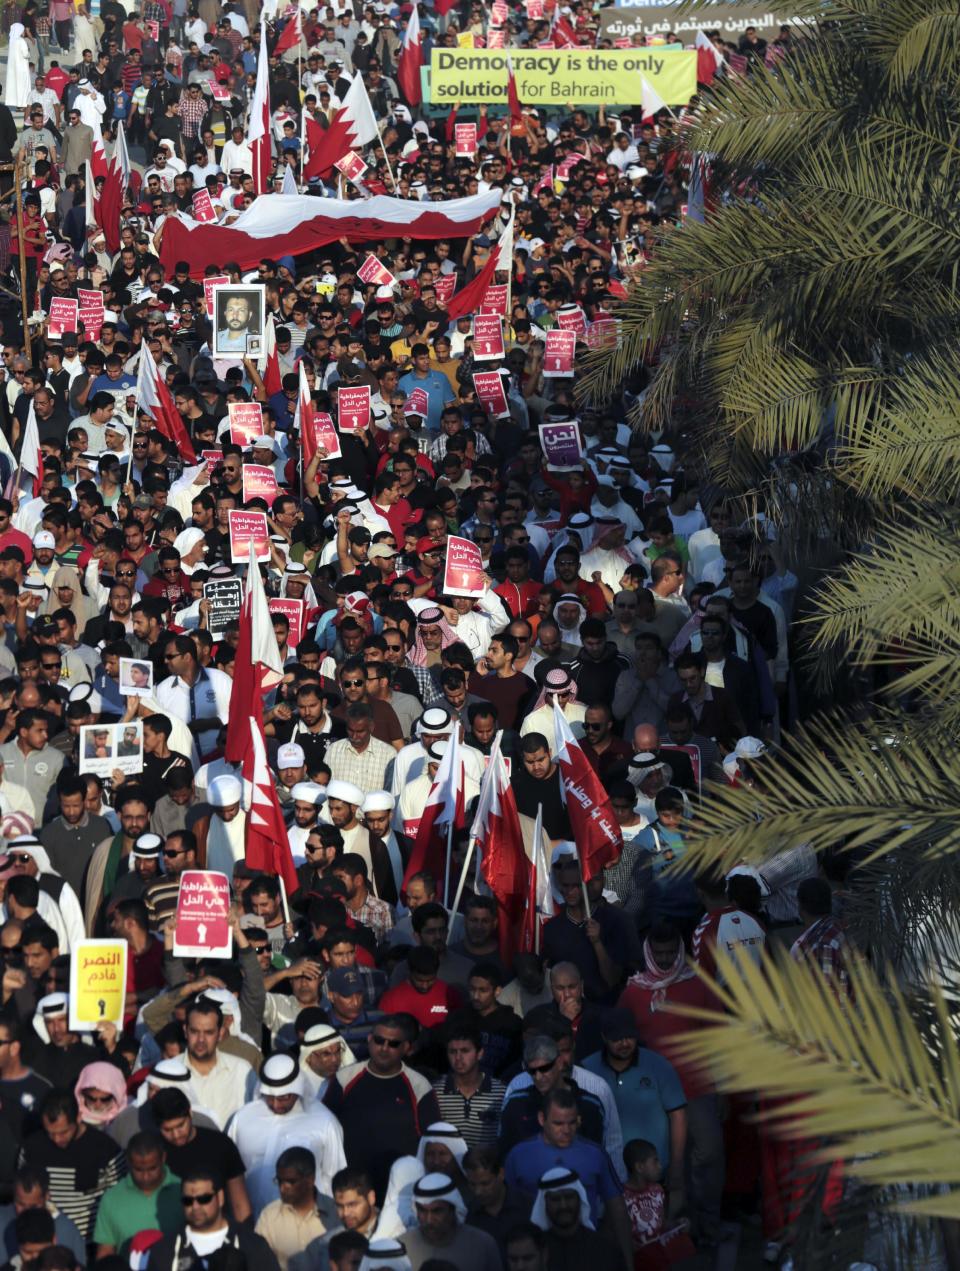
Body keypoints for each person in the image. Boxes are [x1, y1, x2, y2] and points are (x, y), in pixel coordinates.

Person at [324, 1015, 442, 1200]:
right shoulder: (345, 1078)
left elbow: (432, 1140)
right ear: (370, 1040)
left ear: (407, 1048)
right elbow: (325, 1130)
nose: (384, 1048)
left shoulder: (419, 1085)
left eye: (393, 1044)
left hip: (402, 1191)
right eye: (379, 1041)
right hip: (353, 1191)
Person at [20, 1089, 125, 1243]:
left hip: (92, 1246)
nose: (56, 1139)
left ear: (79, 1117)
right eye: (50, 1133)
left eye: (63, 1132)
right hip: (44, 1244)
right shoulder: (31, 1149)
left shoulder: (106, 1149)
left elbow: (119, 1199)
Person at [144, 1167, 281, 1271]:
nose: (195, 1206)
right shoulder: (164, 1250)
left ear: (220, 1197)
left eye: (204, 1199)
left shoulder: (251, 1245)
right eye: (188, 1201)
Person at [92, 1130, 182, 1259]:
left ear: (163, 1158)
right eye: (139, 1169)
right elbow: (105, 1252)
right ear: (128, 1162)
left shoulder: (183, 1191)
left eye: (152, 1168)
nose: (146, 1177)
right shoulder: (111, 1198)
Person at [255, 1145, 339, 1271]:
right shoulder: (269, 1216)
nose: (283, 1188)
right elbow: (258, 1263)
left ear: (310, 1180)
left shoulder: (336, 1213)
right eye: (279, 1181)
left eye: (291, 1182)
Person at [399, 1172, 503, 1271]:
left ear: (452, 1210)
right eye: (422, 1210)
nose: (428, 1220)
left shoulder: (483, 1246)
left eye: (437, 1211)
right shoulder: (401, 1248)